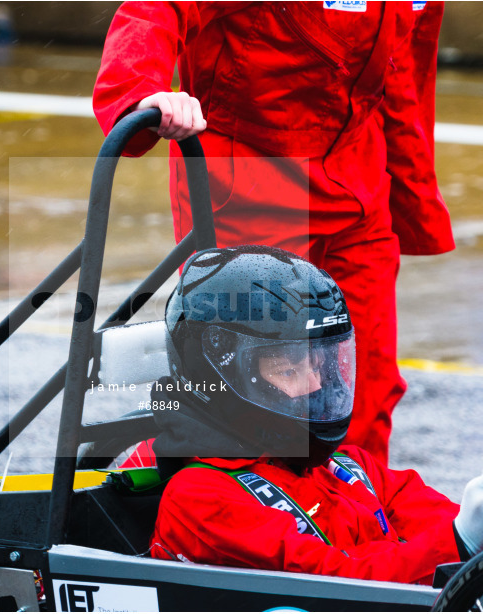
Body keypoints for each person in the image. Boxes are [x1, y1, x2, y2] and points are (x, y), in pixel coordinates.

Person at [93, 2, 455, 464]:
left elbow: (402, 71)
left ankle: (354, 512)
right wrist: (141, 93)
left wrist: (411, 189)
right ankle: (239, 510)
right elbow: (157, 8)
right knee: (254, 387)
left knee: (363, 388)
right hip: (249, 179)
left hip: (358, 181)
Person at [146, 245, 483, 584]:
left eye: (316, 364)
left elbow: (438, 519)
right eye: (287, 370)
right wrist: (461, 542)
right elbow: (338, 582)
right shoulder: (201, 499)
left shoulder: (351, 466)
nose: (315, 384)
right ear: (225, 375)